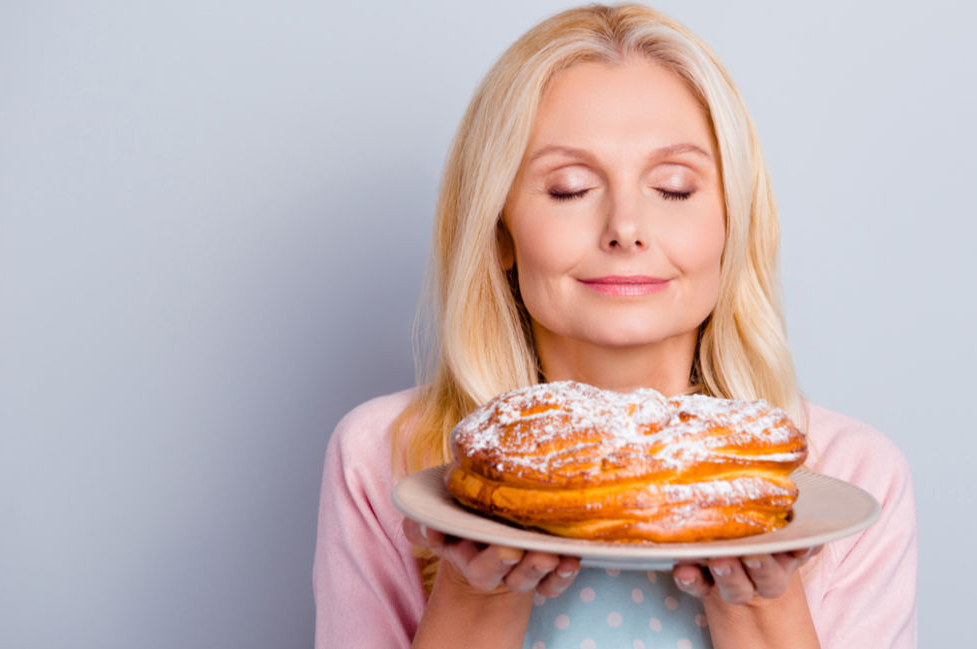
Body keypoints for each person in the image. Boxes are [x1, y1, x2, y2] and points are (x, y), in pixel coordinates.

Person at [313, 4, 917, 648]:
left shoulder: (848, 478)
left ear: (732, 222)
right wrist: (475, 596)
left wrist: (758, 607)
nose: (625, 227)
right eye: (570, 188)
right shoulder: (387, 457)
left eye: (675, 188)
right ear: (500, 230)